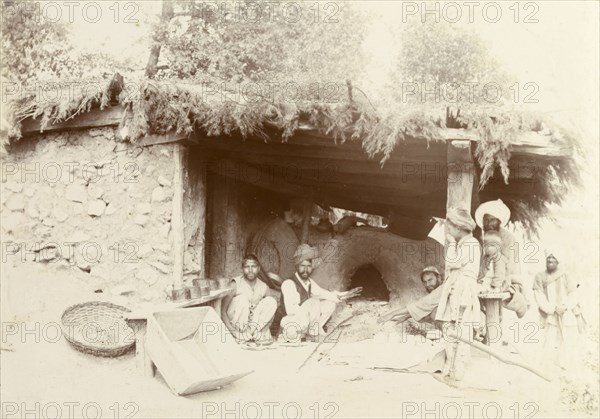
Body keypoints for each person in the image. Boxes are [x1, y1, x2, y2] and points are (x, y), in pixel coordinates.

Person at [275, 244, 361, 343]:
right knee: (314, 302)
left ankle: (312, 332)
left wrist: (344, 295)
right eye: (302, 266)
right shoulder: (289, 283)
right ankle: (309, 333)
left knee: (329, 303)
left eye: (308, 266)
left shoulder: (309, 282)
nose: (306, 270)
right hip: (290, 321)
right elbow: (291, 310)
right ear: (297, 266)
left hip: (304, 321)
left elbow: (323, 293)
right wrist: (309, 310)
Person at [435, 207, 481, 381]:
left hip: (464, 288)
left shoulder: (471, 244)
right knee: (450, 325)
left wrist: (452, 244)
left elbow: (452, 262)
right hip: (456, 286)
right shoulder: (465, 244)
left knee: (463, 327)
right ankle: (450, 364)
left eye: (451, 227)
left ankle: (459, 367)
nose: (449, 231)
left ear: (460, 228)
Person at [533, 250, 585, 373]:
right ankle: (547, 372)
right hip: (550, 316)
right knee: (549, 343)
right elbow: (538, 296)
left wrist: (564, 306)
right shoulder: (540, 276)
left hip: (567, 315)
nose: (550, 260)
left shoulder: (567, 275)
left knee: (569, 345)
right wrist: (552, 309)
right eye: (548, 258)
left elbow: (574, 294)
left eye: (553, 257)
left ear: (558, 260)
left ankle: (568, 372)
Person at [475, 199, 526, 317]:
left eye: (492, 219)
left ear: (499, 220)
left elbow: (509, 267)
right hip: (489, 280)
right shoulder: (485, 238)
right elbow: (483, 264)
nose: (488, 223)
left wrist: (495, 283)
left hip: (508, 281)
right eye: (486, 220)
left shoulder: (508, 238)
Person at [221, 254, 278, 345]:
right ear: (242, 269)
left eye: (254, 266)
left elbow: (271, 313)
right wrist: (234, 332)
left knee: (271, 301)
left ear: (259, 268)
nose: (250, 270)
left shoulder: (264, 287)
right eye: (247, 267)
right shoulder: (235, 284)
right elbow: (222, 312)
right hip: (237, 326)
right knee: (242, 299)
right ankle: (241, 337)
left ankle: (256, 335)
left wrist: (264, 330)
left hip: (254, 326)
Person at [378, 266, 444, 325]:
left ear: (439, 277)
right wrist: (405, 317)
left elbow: (422, 304)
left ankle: (448, 333)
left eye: (430, 280)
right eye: (425, 282)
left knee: (433, 313)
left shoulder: (442, 289)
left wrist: (392, 314)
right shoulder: (440, 289)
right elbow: (425, 306)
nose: (427, 285)